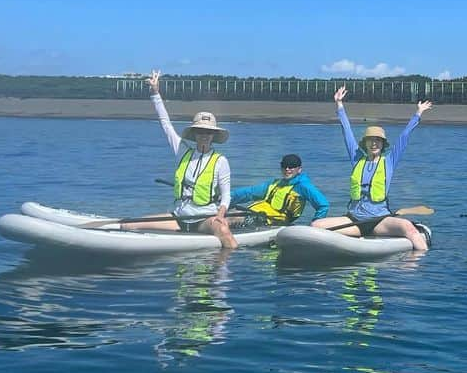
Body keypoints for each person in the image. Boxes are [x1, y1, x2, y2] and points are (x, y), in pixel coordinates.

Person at [310, 86, 432, 251]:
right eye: (370, 140)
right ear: (365, 143)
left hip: (380, 220)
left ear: (382, 144)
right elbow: (347, 133)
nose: (374, 143)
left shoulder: (389, 161)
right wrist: (339, 104)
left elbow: (404, 137)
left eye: (378, 140)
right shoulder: (357, 159)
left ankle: (419, 261)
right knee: (316, 225)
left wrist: (418, 113)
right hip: (354, 220)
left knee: (409, 228)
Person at [127, 70, 237, 249]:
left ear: (213, 135)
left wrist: (221, 214)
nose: (204, 135)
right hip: (179, 218)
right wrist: (155, 92)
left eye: (208, 132)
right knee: (128, 225)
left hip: (205, 219)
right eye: (200, 131)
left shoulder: (220, 161)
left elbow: (226, 195)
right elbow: (166, 124)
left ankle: (223, 273)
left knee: (225, 233)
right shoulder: (182, 150)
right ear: (194, 133)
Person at [229, 153, 330, 227]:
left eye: (291, 166)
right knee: (224, 211)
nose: (287, 169)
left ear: (299, 169)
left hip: (273, 222)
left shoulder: (303, 186)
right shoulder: (274, 184)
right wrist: (227, 197)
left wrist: (316, 223)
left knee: (230, 218)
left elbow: (323, 205)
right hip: (254, 214)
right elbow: (249, 193)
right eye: (284, 166)